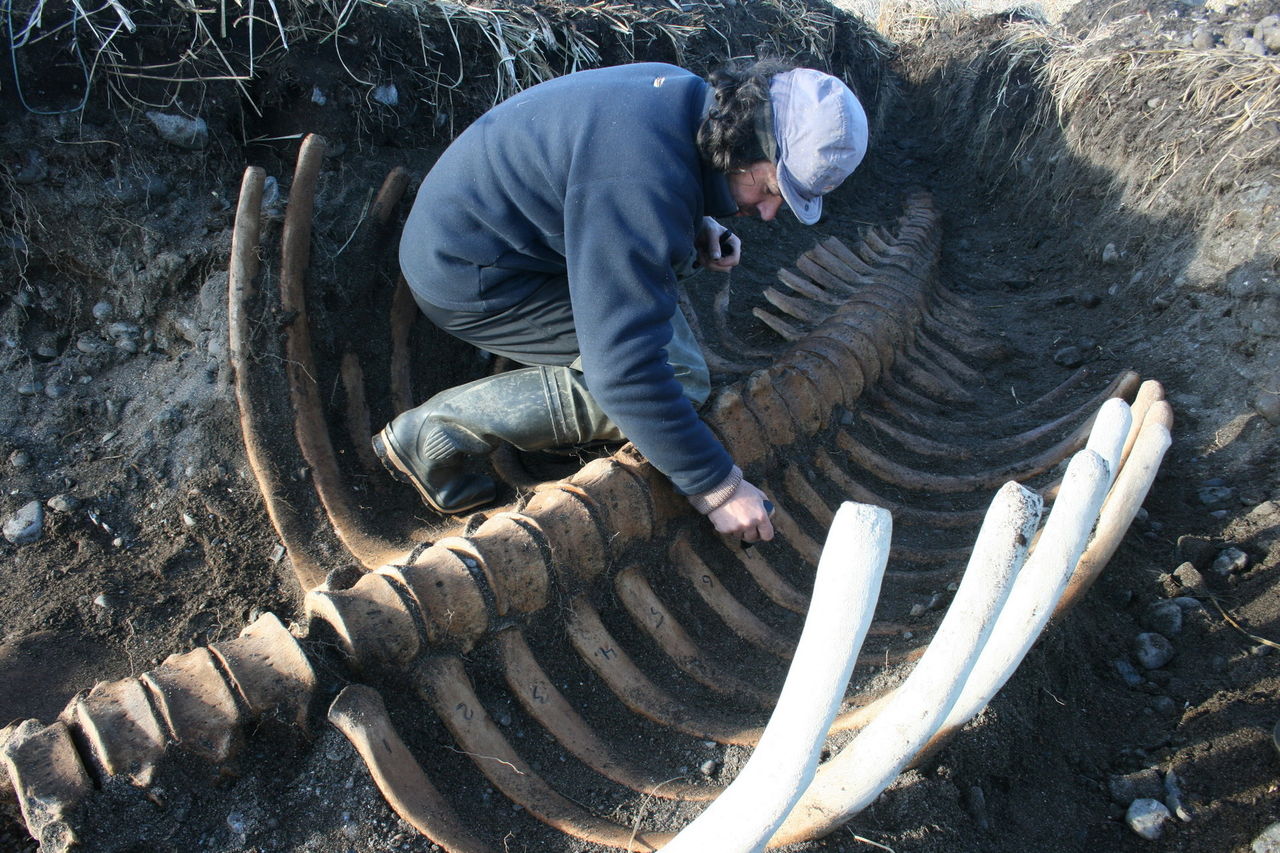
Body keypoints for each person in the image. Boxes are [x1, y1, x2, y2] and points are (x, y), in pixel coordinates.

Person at [374, 58, 868, 543]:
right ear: (741, 145)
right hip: (474, 279)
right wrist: (718, 487)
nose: (767, 212)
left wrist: (695, 223)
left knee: (661, 357)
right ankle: (434, 434)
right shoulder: (641, 179)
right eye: (769, 189)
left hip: (496, 237)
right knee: (677, 379)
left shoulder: (688, 97)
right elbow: (624, 372)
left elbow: (616, 190)